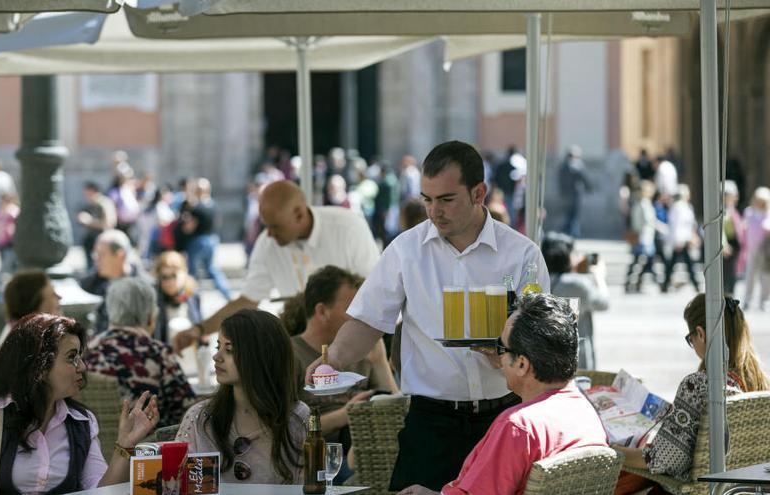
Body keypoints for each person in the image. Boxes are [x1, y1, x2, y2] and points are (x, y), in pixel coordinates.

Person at [306, 140, 550, 492]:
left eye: (446, 199)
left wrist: (507, 355)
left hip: (505, 417)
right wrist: (333, 360)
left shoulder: (522, 254)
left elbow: (541, 341)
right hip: (430, 421)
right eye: (427, 199)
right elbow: (367, 320)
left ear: (478, 192)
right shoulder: (405, 250)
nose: (434, 211)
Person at [397, 294, 608, 495]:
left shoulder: (519, 426)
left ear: (522, 364)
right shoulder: (585, 410)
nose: (497, 355)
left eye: (501, 347)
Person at [0, 313, 160, 494]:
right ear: (39, 364)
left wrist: (125, 445)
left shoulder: (81, 422)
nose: (83, 366)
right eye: (72, 357)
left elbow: (98, 491)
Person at [172, 180, 380, 352]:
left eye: (275, 226)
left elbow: (371, 292)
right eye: (265, 226)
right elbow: (247, 300)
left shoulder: (348, 228)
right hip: (300, 347)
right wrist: (199, 330)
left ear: (299, 214)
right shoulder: (267, 243)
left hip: (355, 344)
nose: (269, 234)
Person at [615, 294, 769, 491]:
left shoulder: (697, 385)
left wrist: (616, 452)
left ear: (701, 333)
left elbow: (663, 459)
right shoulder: (759, 384)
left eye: (691, 338)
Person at [175, 309, 308, 484]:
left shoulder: (296, 417)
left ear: (261, 355)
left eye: (229, 350)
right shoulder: (200, 417)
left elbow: (307, 486)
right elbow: (175, 485)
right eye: (218, 346)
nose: (216, 356)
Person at [280, 266, 397, 465]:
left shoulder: (363, 351)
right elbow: (283, 430)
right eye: (354, 309)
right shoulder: (289, 355)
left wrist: (379, 362)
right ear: (322, 311)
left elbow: (397, 410)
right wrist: (348, 415)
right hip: (319, 458)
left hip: (371, 449)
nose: (362, 316)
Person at [85, 278, 194, 428]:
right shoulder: (158, 353)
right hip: (146, 447)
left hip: (92, 444)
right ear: (150, 317)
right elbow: (187, 410)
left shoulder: (87, 350)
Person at [541, 232, 609, 370]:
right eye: (575, 252)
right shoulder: (576, 284)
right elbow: (603, 303)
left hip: (548, 355)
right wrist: (599, 276)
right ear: (566, 255)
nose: (578, 256)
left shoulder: (542, 279)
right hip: (577, 357)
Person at [80, 229, 149, 334]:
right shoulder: (89, 286)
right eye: (95, 254)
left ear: (120, 255)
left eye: (101, 254)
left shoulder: (147, 288)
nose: (96, 259)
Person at [183, 178, 233, 301]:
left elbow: (189, 227)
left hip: (199, 241)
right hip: (213, 239)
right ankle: (227, 294)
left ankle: (192, 299)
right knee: (211, 268)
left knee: (192, 272)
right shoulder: (214, 205)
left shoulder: (196, 208)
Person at [0, 269, 63, 351]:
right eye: (52, 294)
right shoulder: (28, 347)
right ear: (35, 306)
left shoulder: (17, 335)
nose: (59, 297)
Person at [153, 250, 201, 345]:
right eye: (165, 277)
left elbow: (200, 325)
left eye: (174, 275)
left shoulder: (192, 295)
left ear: (184, 273)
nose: (170, 281)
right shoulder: (155, 298)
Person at [661, 185, 701, 293]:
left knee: (677, 263)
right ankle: (695, 283)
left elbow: (690, 225)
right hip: (681, 240)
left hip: (686, 239)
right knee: (687, 263)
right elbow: (676, 225)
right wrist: (678, 240)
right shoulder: (677, 208)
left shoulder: (686, 206)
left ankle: (665, 284)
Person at [624, 181, 661, 293]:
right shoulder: (644, 204)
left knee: (642, 261)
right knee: (643, 261)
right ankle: (659, 283)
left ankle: (635, 282)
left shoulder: (637, 203)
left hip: (642, 236)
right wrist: (660, 227)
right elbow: (648, 221)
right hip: (644, 237)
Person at [77, 182, 117, 272]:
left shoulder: (104, 203)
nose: (87, 197)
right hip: (93, 239)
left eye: (88, 194)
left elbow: (108, 224)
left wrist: (89, 221)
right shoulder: (93, 204)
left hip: (103, 239)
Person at [742, 187, 770, 310]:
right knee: (750, 274)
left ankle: (764, 300)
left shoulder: (768, 213)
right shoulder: (749, 212)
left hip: (765, 251)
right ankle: (748, 299)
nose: (760, 203)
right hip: (752, 249)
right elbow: (744, 228)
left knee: (765, 275)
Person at [557, 145, 591, 238]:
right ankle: (573, 233)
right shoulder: (576, 166)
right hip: (575, 194)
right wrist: (589, 188)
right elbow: (584, 179)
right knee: (573, 215)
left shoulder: (562, 167)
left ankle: (568, 232)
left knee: (569, 215)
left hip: (566, 194)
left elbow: (559, 181)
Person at [0, 193, 19, 293]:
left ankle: (4, 284)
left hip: (11, 242)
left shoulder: (14, 210)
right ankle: (4, 286)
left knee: (8, 264)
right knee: (4, 263)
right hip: (1, 241)